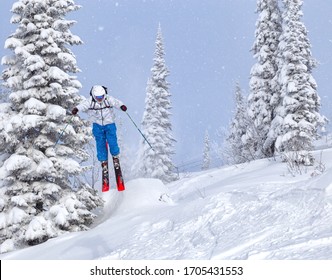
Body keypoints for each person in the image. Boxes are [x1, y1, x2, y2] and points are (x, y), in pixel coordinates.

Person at [72, 85, 127, 169]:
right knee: (100, 143)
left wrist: (121, 106)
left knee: (112, 141)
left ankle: (115, 156)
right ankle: (103, 160)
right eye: (98, 97)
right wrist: (76, 109)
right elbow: (82, 106)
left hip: (109, 124)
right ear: (94, 96)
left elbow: (116, 102)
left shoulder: (108, 99)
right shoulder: (90, 101)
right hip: (97, 125)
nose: (100, 99)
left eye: (101, 96)